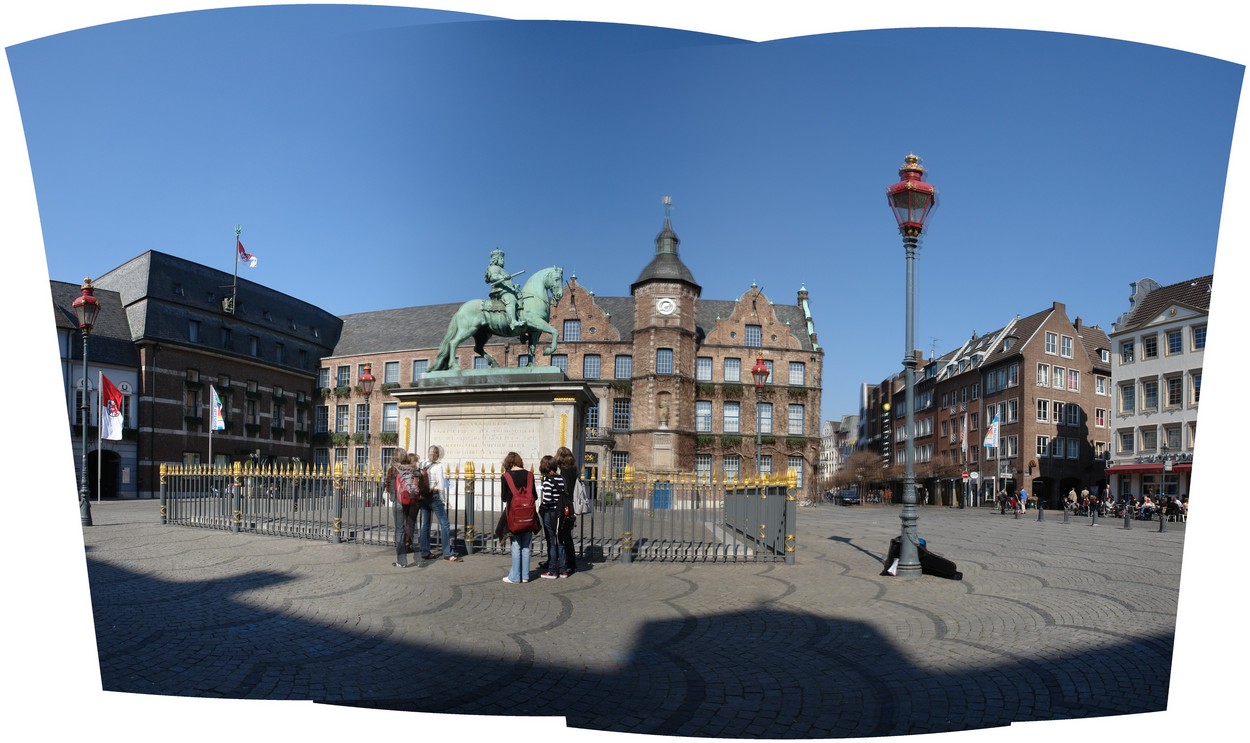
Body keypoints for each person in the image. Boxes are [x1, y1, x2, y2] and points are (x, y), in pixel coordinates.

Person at [418, 444, 460, 561]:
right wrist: (445, 500)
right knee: (444, 524)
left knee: (425, 524)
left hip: (424, 496)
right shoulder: (438, 466)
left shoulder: (423, 464)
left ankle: (425, 551)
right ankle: (448, 552)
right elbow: (441, 485)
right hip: (434, 496)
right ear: (438, 455)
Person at [500, 451, 534, 584]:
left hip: (514, 516)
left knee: (516, 545)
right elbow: (534, 495)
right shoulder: (530, 475)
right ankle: (525, 576)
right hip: (529, 515)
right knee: (526, 545)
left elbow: (504, 498)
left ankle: (515, 577)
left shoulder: (506, 477)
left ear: (508, 463)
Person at [538, 455, 568, 579]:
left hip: (551, 513)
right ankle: (563, 570)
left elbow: (547, 499)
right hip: (561, 514)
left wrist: (542, 506)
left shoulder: (548, 480)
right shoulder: (562, 478)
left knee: (551, 541)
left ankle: (552, 570)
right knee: (561, 541)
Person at [386, 450, 418, 568]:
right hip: (409, 500)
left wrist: (392, 495)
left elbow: (388, 486)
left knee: (399, 530)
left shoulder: (392, 470)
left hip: (398, 502)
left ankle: (401, 561)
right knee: (409, 526)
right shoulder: (411, 469)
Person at [554, 446, 581, 575]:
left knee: (563, 536)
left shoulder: (564, 472)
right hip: (570, 505)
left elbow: (565, 490)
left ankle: (566, 563)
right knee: (567, 536)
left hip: (565, 505)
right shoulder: (573, 469)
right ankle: (571, 563)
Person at [484, 248, 523, 330]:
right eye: (501, 259)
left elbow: (508, 283)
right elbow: (494, 277)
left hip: (508, 290)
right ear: (496, 259)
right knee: (511, 300)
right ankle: (513, 322)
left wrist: (514, 286)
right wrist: (503, 277)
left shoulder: (503, 270)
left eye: (503, 259)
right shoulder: (493, 267)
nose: (503, 261)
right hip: (499, 291)